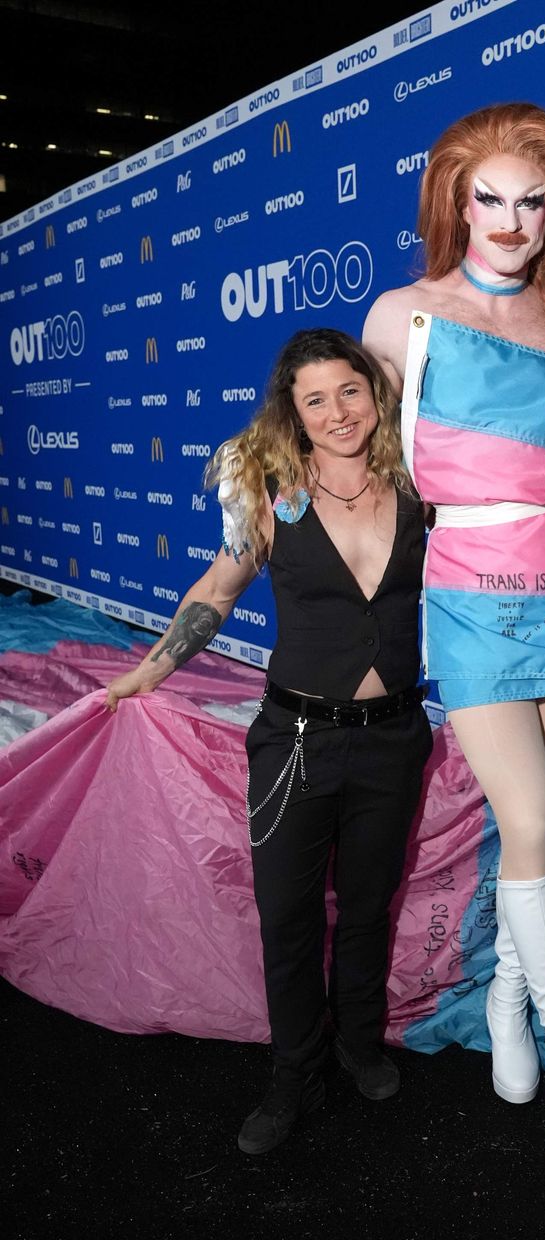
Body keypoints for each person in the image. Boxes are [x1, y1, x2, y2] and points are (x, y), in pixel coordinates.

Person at [364, 103, 545, 1178]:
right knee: (526, 819)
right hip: (469, 590)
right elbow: (359, 467)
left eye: (533, 202)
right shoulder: (403, 316)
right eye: (490, 199)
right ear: (455, 202)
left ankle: (507, 995)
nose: (511, 222)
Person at [106, 329, 432, 1154]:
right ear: (293, 412)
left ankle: (359, 1044)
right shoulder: (268, 493)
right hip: (295, 743)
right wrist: (150, 670)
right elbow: (218, 590)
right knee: (289, 917)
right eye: (315, 399)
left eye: (349, 390)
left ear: (375, 392)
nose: (337, 412)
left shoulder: (419, 481)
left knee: (367, 908)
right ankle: (295, 1074)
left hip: (394, 739)